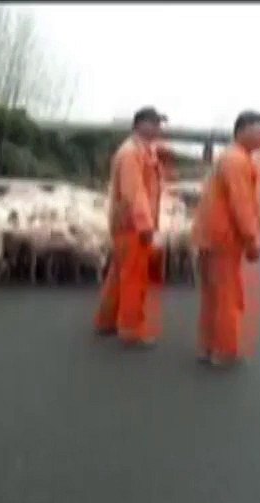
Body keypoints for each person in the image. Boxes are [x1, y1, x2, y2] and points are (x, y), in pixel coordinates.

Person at [194, 110, 260, 367]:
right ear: (241, 130)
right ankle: (224, 351)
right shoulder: (237, 160)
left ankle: (207, 347)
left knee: (212, 296)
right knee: (227, 296)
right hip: (224, 238)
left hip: (210, 236)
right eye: (257, 129)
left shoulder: (229, 156)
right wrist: (252, 239)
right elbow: (241, 204)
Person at [94, 106, 166, 347]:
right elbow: (134, 192)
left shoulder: (141, 151)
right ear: (140, 125)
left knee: (119, 273)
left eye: (159, 123)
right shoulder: (131, 154)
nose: (158, 128)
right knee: (134, 277)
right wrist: (145, 226)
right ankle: (131, 329)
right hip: (132, 226)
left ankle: (107, 320)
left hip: (126, 223)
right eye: (154, 123)